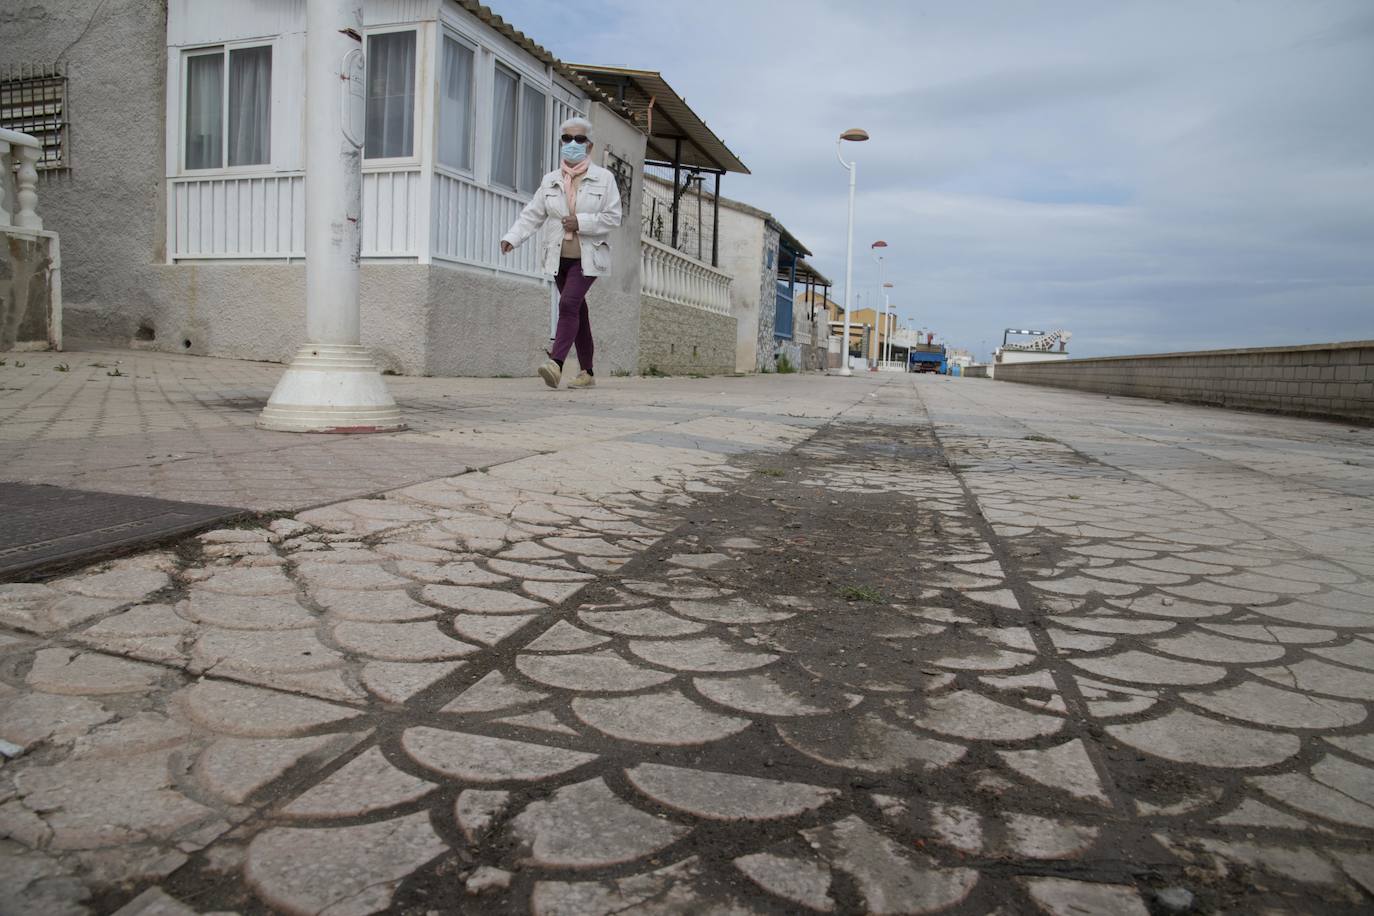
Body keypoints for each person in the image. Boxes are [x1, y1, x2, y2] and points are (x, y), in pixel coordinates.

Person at [500, 116, 622, 389]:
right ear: (561, 143)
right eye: (567, 138)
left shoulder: (604, 178)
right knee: (578, 312)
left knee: (568, 305)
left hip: (588, 258)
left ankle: (555, 364)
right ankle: (587, 372)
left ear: (589, 146)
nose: (572, 144)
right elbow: (533, 214)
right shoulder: (551, 180)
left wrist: (582, 222)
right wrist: (513, 237)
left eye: (579, 139)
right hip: (558, 258)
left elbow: (614, 217)